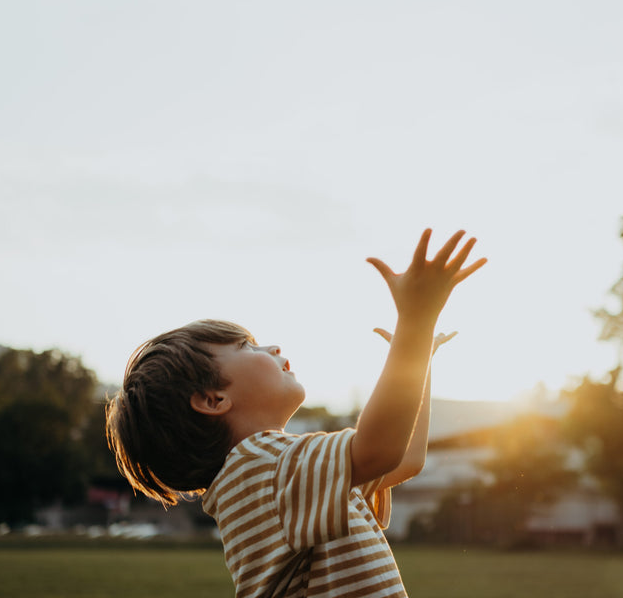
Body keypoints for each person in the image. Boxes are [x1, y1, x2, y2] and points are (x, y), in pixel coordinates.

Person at [106, 229, 486, 597]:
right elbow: (381, 449)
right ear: (213, 399)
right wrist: (415, 322)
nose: (272, 347)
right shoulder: (263, 468)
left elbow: (404, 458)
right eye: (246, 346)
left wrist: (418, 360)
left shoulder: (271, 476)